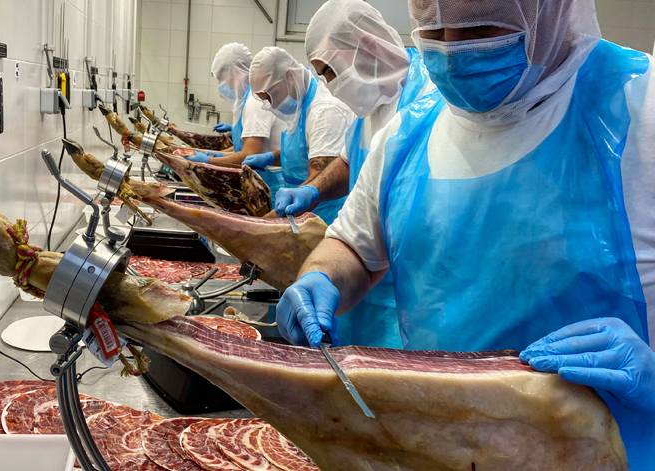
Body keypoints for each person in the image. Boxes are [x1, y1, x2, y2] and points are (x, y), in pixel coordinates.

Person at [275, 0, 655, 467]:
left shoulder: (639, 108)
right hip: (437, 447)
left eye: (479, 30)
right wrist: (321, 277)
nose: (453, 56)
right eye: (434, 34)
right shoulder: (408, 131)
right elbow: (353, 246)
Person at [270, 0, 435, 347]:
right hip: (355, 284)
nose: (329, 84)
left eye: (330, 71)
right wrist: (313, 190)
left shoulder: (431, 95)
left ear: (367, 47)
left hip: (408, 302)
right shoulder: (367, 107)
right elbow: (348, 162)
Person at [246, 46, 354, 224]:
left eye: (272, 96)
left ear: (289, 77)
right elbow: (304, 152)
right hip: (301, 216)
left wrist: (258, 225)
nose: (272, 105)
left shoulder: (325, 111)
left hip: (324, 218)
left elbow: (321, 180)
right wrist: (270, 158)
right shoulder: (299, 105)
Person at [185, 43, 287, 198]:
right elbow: (244, 149)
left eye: (221, 78)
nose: (220, 85)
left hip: (273, 186)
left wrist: (208, 161)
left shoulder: (255, 101)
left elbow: (249, 154)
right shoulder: (245, 101)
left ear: (235, 72)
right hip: (261, 181)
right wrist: (215, 155)